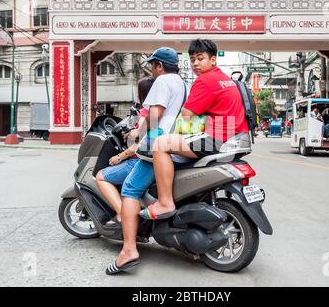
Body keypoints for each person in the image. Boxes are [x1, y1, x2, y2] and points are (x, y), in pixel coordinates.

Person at [138, 39, 249, 220]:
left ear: (213, 60)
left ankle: (165, 202)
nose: (196, 63)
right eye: (192, 59)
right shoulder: (224, 78)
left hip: (216, 138)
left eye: (200, 58)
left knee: (160, 144)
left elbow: (187, 114)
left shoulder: (205, 80)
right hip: (234, 136)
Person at [105, 47, 187, 275]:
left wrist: (137, 133)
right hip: (175, 143)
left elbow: (154, 114)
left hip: (156, 143)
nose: (152, 69)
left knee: (130, 189)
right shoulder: (183, 83)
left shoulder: (162, 82)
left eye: (153, 65)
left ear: (160, 65)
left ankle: (129, 250)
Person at [95, 76, 154, 227]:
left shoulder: (146, 113)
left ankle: (122, 213)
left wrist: (120, 157)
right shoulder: (159, 110)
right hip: (154, 158)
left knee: (101, 177)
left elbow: (138, 145)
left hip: (138, 160)